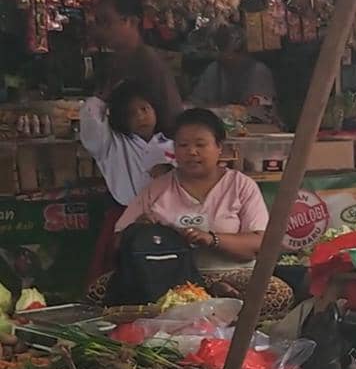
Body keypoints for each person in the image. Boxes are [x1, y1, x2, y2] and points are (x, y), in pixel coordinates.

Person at [94, 108, 292, 316]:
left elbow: (260, 244)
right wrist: (141, 231)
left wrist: (211, 239)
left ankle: (212, 300)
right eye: (183, 145)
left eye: (200, 144)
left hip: (231, 276)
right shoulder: (157, 188)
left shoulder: (241, 185)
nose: (191, 152)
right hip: (168, 278)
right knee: (98, 292)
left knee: (277, 293)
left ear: (219, 148)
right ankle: (207, 304)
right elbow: (118, 242)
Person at [80, 80, 176, 283]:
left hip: (166, 220)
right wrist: (100, 99)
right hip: (124, 218)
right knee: (120, 276)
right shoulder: (111, 145)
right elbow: (91, 125)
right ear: (121, 118)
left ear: (155, 109)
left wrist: (169, 171)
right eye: (132, 113)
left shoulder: (171, 145)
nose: (141, 116)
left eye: (144, 108)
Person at [93, 0, 183, 131]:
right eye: (98, 22)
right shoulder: (113, 63)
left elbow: (172, 120)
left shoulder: (150, 64)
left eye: (106, 21)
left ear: (132, 22)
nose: (100, 30)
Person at [190, 25, 278, 108]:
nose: (222, 55)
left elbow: (262, 111)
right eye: (219, 50)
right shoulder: (213, 69)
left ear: (242, 52)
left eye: (228, 51)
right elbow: (195, 102)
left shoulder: (259, 71)